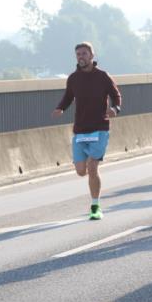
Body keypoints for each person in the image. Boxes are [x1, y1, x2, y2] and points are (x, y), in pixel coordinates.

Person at [52, 42, 122, 220]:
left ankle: (95, 206)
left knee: (92, 167)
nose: (81, 57)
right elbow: (68, 97)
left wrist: (115, 109)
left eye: (84, 53)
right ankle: (92, 185)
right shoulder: (73, 78)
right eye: (78, 54)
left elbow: (116, 95)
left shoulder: (103, 76)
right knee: (81, 171)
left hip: (99, 129)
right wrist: (60, 108)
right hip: (81, 130)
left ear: (92, 55)